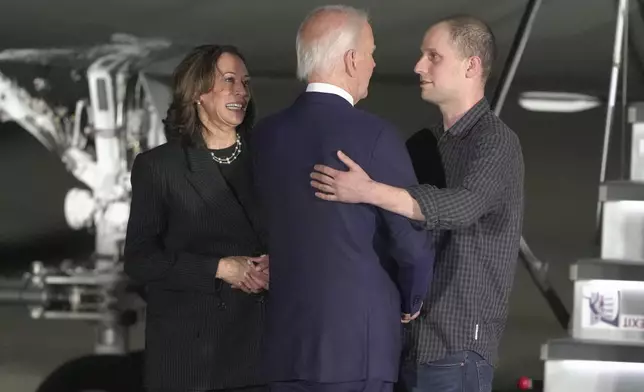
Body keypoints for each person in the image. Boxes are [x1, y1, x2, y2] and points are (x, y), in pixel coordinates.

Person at [310, 15, 524, 392]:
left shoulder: (496, 142)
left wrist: (367, 190)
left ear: (471, 65)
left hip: (457, 351)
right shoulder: (424, 143)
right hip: (407, 348)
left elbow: (462, 207)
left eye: (433, 56)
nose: (418, 66)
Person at [250, 5, 435, 392]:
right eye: (370, 52)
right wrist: (412, 299)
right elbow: (409, 244)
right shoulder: (376, 137)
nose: (373, 62)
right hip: (357, 351)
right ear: (351, 60)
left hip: (283, 350)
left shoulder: (265, 136)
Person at [123, 44, 270, 392]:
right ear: (198, 92)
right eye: (229, 80)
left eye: (245, 83)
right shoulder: (159, 167)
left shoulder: (270, 156)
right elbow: (140, 260)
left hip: (264, 350)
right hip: (192, 358)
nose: (241, 92)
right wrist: (220, 268)